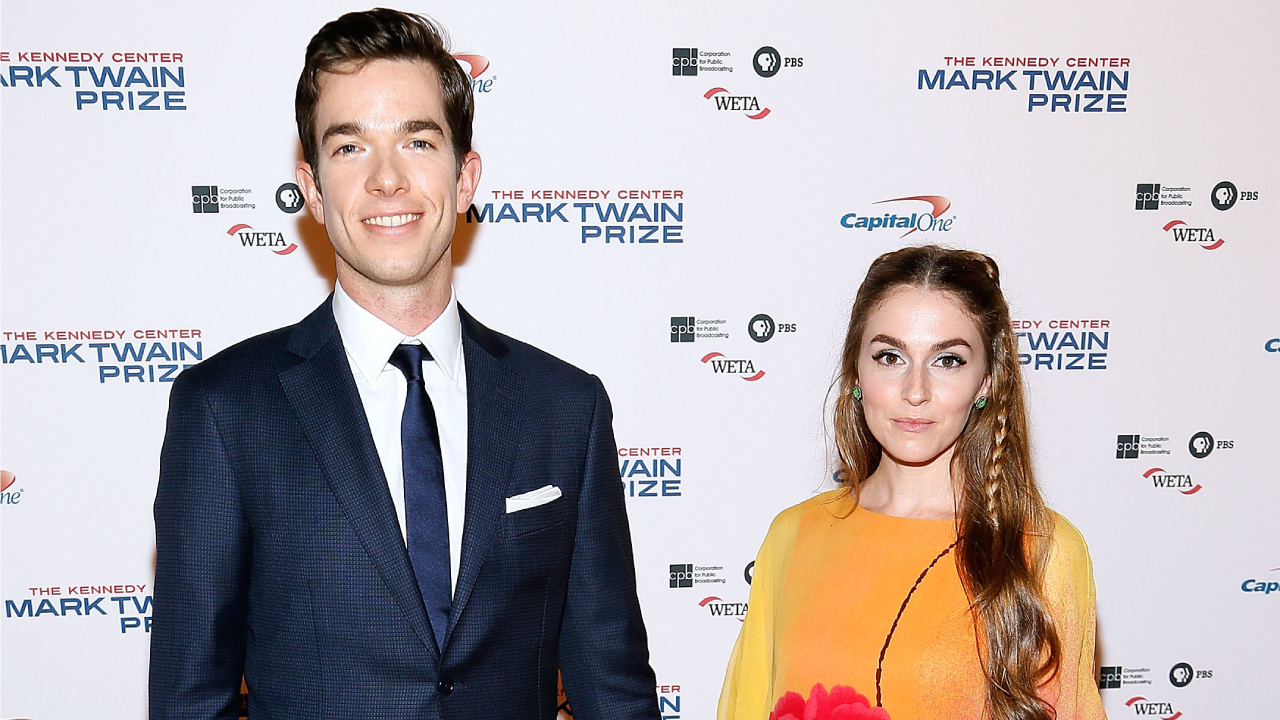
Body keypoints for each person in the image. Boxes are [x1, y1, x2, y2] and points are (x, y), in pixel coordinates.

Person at [149, 9, 658, 720]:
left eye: (417, 141)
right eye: (351, 147)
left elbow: (614, 689)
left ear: (464, 176)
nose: (387, 180)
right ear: (313, 188)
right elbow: (190, 702)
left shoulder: (564, 408)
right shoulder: (225, 410)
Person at [719, 246, 1104, 720]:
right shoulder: (793, 535)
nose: (915, 391)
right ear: (855, 372)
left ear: (986, 382)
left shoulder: (1043, 550)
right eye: (889, 356)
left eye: (948, 361)